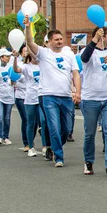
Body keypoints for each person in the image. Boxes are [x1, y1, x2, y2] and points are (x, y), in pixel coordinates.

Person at [25, 20, 81, 168]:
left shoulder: (69, 54)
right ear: (49, 41)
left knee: (67, 128)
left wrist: (78, 92)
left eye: (61, 39)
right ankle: (59, 155)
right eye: (56, 40)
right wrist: (27, 27)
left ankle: (52, 145)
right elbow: (30, 42)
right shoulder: (43, 53)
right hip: (48, 96)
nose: (59, 42)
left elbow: (75, 74)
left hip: (66, 96)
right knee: (54, 126)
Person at [80, 26, 107, 176]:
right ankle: (88, 162)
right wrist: (94, 40)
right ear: (99, 36)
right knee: (90, 133)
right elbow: (84, 58)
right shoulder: (88, 51)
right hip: (90, 99)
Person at [13, 48, 41, 157]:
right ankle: (30, 147)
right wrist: (15, 57)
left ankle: (45, 147)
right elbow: (16, 70)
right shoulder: (26, 66)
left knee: (43, 122)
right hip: (30, 98)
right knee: (30, 123)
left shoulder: (43, 65)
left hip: (42, 97)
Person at [0, 48, 14, 145]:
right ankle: (0, 136)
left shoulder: (10, 66)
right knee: (0, 116)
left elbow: (15, 79)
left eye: (9, 56)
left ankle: (6, 136)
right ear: (1, 57)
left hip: (8, 95)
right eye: (7, 56)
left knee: (7, 118)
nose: (9, 58)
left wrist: (13, 81)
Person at [14, 45, 29, 151]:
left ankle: (30, 139)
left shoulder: (34, 64)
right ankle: (27, 143)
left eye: (28, 50)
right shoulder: (19, 65)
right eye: (24, 51)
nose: (26, 52)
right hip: (20, 96)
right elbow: (14, 77)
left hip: (32, 96)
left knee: (34, 121)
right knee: (26, 119)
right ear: (21, 53)